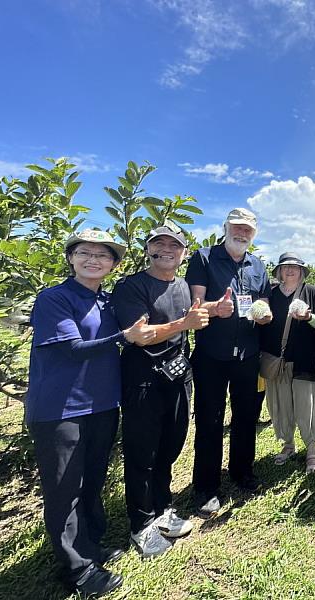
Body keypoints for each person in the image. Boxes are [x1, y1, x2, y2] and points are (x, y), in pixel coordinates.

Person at [26, 229, 155, 596]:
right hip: (60, 408)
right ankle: (77, 569)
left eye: (103, 255)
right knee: (64, 489)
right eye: (85, 253)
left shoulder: (108, 302)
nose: (94, 260)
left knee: (92, 480)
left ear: (114, 264)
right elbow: (74, 347)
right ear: (71, 257)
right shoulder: (54, 298)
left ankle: (90, 546)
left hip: (102, 405)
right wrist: (124, 337)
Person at [111, 222, 210, 558]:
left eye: (175, 246)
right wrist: (185, 324)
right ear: (149, 249)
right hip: (143, 380)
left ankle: (162, 508)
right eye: (160, 244)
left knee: (170, 445)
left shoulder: (182, 286)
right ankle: (141, 524)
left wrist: (206, 313)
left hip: (178, 378)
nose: (167, 250)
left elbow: (191, 319)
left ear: (183, 253)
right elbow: (138, 335)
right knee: (142, 453)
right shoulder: (131, 286)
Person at [185, 208, 272, 518]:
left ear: (253, 234)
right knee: (210, 419)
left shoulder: (258, 266)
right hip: (212, 355)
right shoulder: (204, 258)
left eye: (248, 229)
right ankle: (206, 487)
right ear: (225, 227)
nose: (242, 233)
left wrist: (265, 314)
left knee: (246, 416)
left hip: (247, 355)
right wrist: (215, 307)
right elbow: (194, 308)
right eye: (237, 227)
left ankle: (242, 472)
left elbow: (262, 304)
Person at [259, 252, 315, 474]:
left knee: (307, 405)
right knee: (281, 405)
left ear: (301, 272)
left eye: (295, 267)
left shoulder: (311, 292)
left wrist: (309, 318)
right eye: (285, 267)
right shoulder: (271, 294)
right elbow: (261, 324)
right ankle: (288, 444)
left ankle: (311, 450)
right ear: (279, 272)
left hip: (305, 360)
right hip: (279, 360)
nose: (290, 271)